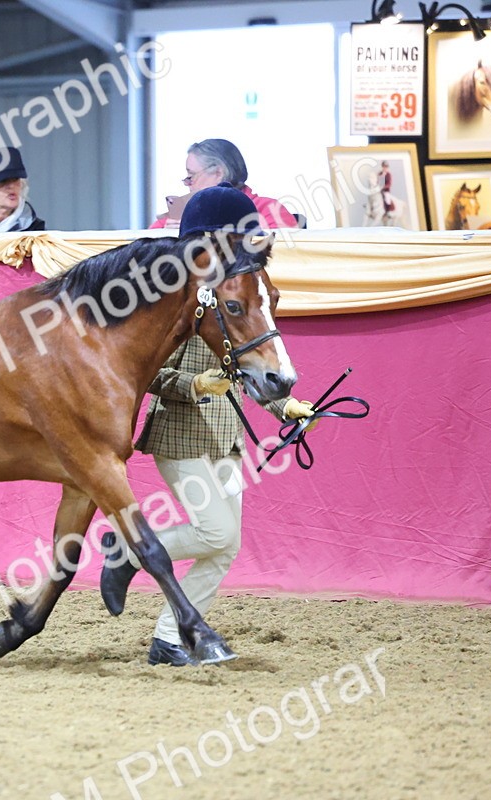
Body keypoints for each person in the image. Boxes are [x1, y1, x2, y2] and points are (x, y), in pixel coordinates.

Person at [101, 184, 315, 667]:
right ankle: (127, 554)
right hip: (180, 433)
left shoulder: (241, 293)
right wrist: (195, 384)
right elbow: (144, 373)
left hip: (226, 437)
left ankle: (169, 640)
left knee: (224, 547)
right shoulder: (174, 302)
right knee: (218, 534)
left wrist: (288, 408)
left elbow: (248, 368)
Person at [150, 138, 297, 230]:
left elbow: (284, 261)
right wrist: (165, 241)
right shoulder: (178, 217)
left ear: (219, 173)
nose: (188, 184)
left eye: (191, 176)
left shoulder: (268, 211)